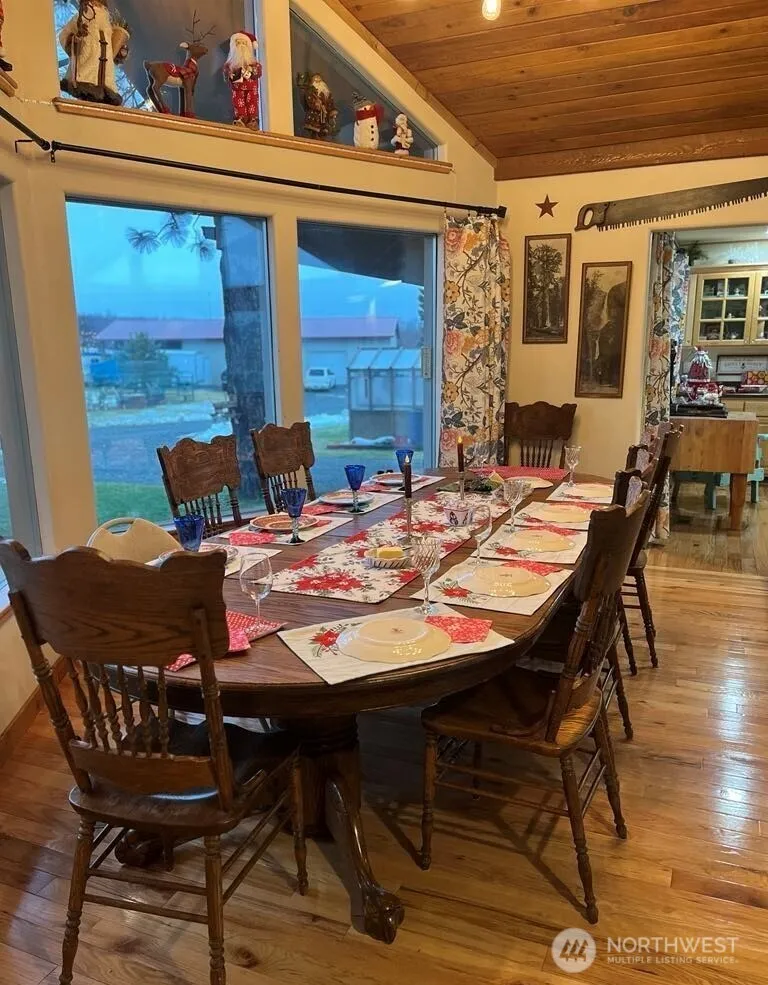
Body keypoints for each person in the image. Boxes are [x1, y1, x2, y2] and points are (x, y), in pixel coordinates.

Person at [224, 31, 262, 130]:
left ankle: (252, 120)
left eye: (243, 43)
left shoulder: (254, 64)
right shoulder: (231, 65)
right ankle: (240, 119)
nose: (241, 46)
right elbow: (226, 73)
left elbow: (258, 72)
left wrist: (252, 70)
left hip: (251, 89)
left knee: (252, 103)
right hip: (237, 89)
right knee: (238, 103)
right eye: (238, 43)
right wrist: (230, 73)